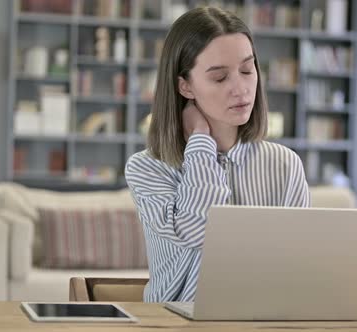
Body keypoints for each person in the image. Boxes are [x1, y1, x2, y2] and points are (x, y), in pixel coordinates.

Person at [125, 6, 310, 302]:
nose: (242, 89)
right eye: (220, 78)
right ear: (184, 86)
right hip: (174, 323)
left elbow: (297, 267)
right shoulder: (147, 168)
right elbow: (199, 232)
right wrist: (200, 142)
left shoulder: (284, 165)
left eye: (247, 70)